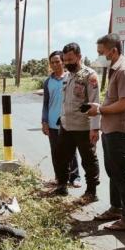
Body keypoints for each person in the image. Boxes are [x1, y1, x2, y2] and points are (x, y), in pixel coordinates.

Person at [87, 33, 125, 231]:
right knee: (113, 172)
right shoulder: (114, 69)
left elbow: (124, 104)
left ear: (113, 51)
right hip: (110, 129)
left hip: (119, 130)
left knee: (122, 174)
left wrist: (99, 109)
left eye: (102, 53)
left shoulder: (124, 71)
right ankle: (116, 208)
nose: (100, 56)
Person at [52, 42, 100, 204]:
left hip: (83, 127)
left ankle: (91, 192)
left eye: (70, 60)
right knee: (61, 157)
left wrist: (95, 128)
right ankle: (62, 186)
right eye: (65, 60)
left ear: (79, 57)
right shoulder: (68, 75)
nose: (67, 63)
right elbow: (67, 101)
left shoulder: (89, 76)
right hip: (67, 125)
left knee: (89, 160)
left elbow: (95, 103)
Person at [41, 50, 81, 187]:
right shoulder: (48, 82)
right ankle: (59, 177)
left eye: (58, 61)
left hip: (69, 122)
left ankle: (75, 177)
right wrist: (44, 121)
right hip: (52, 123)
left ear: (63, 62)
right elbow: (45, 103)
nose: (55, 64)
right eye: (52, 62)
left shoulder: (71, 78)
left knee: (71, 151)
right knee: (56, 152)